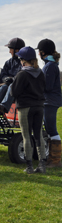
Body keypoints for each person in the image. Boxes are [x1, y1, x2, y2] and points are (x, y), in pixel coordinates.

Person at [10, 47, 46, 174]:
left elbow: (13, 92)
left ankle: (29, 166)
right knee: (38, 135)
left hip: (25, 107)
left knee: (26, 136)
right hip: (39, 106)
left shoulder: (22, 74)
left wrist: (12, 82)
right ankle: (42, 164)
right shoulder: (40, 72)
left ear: (23, 60)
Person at [36, 38, 62, 168]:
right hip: (49, 101)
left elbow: (48, 87)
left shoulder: (50, 66)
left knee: (51, 129)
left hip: (50, 101)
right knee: (49, 128)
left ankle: (56, 160)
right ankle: (53, 159)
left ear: (42, 52)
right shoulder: (49, 65)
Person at [0, 37, 25, 113]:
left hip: (20, 88)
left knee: (12, 86)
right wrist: (5, 78)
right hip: (9, 87)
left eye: (10, 49)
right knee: (4, 86)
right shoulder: (8, 62)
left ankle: (4, 107)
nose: (9, 52)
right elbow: (3, 74)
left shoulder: (24, 62)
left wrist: (13, 79)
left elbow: (23, 76)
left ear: (17, 50)